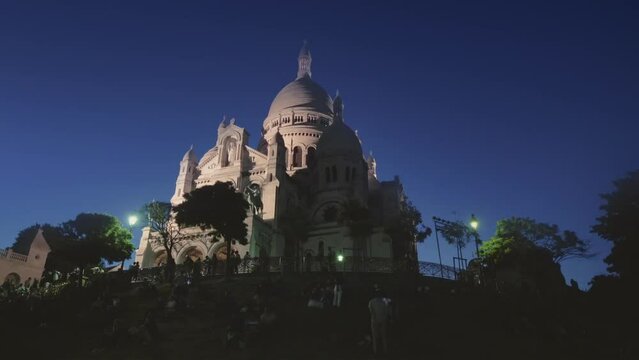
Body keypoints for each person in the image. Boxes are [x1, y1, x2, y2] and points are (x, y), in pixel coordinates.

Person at [368, 289, 390, 355]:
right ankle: (385, 350)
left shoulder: (371, 302)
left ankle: (375, 351)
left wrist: (375, 318)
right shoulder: (384, 302)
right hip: (383, 320)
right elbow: (386, 312)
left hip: (374, 321)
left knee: (375, 337)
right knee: (384, 336)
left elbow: (371, 312)